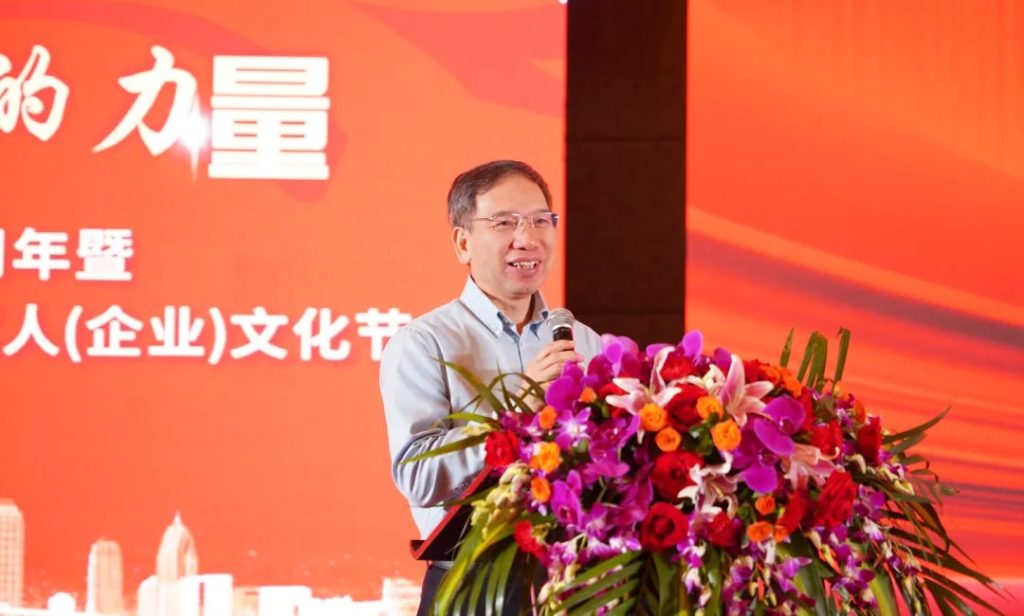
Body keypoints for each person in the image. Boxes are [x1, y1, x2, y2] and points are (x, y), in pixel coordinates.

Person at [379, 160, 603, 615]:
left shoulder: (583, 341)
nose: (528, 238)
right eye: (505, 223)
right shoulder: (424, 344)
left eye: (541, 220)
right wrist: (521, 402)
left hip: (571, 586)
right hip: (472, 585)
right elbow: (419, 479)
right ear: (463, 243)